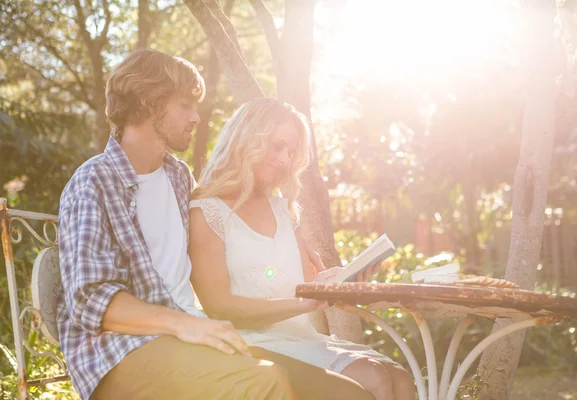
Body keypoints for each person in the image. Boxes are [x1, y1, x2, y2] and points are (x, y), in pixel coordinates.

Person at [57, 49, 374, 400]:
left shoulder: (178, 177)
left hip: (190, 337)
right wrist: (187, 324)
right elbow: (91, 301)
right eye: (185, 105)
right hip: (119, 353)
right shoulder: (93, 182)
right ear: (148, 102)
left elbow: (229, 230)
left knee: (348, 394)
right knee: (265, 383)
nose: (196, 117)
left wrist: (298, 249)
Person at [188, 98, 416, 400]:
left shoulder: (283, 210)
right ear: (247, 141)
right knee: (373, 378)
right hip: (249, 342)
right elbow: (220, 306)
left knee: (399, 378)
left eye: (291, 151)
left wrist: (342, 281)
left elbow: (309, 287)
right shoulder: (206, 212)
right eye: (277, 146)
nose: (285, 158)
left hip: (303, 338)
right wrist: (305, 303)